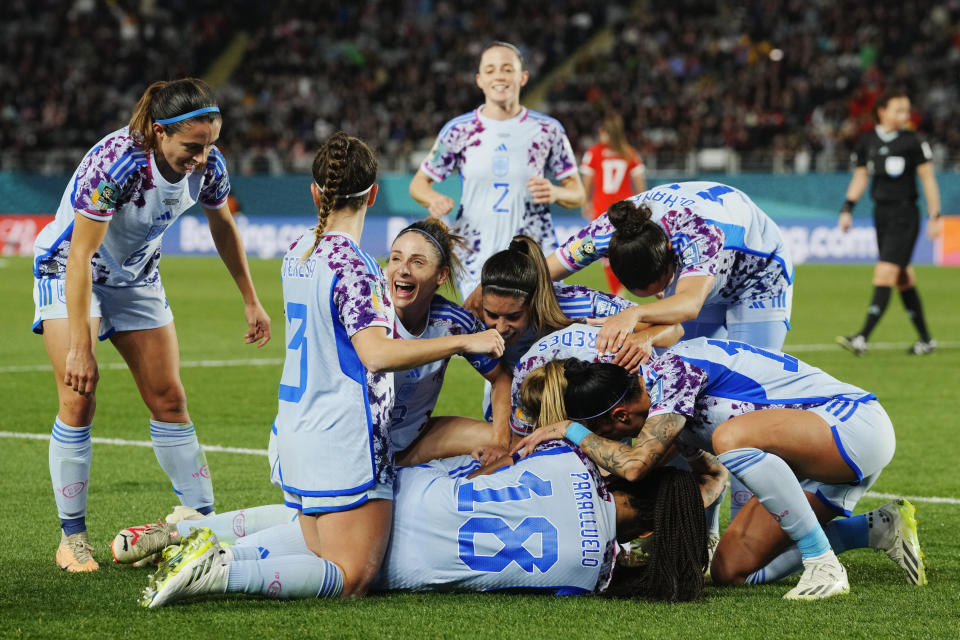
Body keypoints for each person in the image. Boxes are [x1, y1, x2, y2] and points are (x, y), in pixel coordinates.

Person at [31, 78, 273, 573]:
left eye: (210, 145)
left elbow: (223, 224)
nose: (202, 157)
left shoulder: (211, 165)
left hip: (136, 276)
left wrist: (251, 300)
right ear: (160, 133)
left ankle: (203, 527)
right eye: (192, 147)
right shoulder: (117, 164)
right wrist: (82, 343)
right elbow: (80, 254)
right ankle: (72, 537)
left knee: (169, 398)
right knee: (79, 396)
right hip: (71, 272)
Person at [273, 131, 504, 599]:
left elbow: (501, 376)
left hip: (299, 426)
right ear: (373, 194)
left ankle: (207, 549)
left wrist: (499, 433)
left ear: (315, 192)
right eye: (396, 258)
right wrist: (461, 344)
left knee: (321, 554)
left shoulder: (298, 249)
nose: (401, 269)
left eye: (416, 262)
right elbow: (375, 355)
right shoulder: (359, 272)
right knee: (355, 576)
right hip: (350, 436)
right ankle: (221, 567)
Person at [515, 338, 925, 600]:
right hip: (811, 459)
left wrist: (568, 429)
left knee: (731, 437)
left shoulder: (672, 374)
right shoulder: (660, 400)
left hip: (854, 428)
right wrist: (703, 536)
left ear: (620, 417)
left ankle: (823, 565)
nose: (617, 442)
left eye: (605, 433)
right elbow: (710, 475)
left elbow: (636, 467)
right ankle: (877, 527)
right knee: (733, 572)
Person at [125, 441, 725, 606]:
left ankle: (193, 537)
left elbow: (491, 458)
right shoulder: (594, 574)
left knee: (311, 520)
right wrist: (710, 506)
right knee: (333, 558)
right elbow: (687, 555)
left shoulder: (567, 459)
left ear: (627, 477)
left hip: (417, 502)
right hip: (421, 568)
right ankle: (215, 563)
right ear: (649, 531)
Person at [548, 180, 794, 522]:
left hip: (757, 283)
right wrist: (485, 292)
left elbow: (689, 303)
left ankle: (741, 530)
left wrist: (635, 313)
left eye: (665, 284)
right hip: (700, 278)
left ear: (668, 252)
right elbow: (543, 271)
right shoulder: (606, 232)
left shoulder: (697, 232)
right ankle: (701, 530)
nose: (661, 296)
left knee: (745, 414)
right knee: (678, 401)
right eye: (649, 293)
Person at [409, 41, 585, 310]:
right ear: (480, 80)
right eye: (490, 70)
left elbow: (578, 194)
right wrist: (433, 198)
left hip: (534, 253)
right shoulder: (459, 130)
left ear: (522, 77)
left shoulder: (548, 130)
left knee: (536, 339)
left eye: (507, 69)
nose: (499, 76)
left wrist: (557, 192)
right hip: (474, 255)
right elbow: (419, 184)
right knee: (488, 342)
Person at [836, 89, 942, 356]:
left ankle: (861, 337)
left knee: (885, 272)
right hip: (881, 215)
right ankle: (926, 341)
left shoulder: (913, 141)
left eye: (907, 111)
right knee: (903, 277)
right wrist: (847, 208)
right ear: (882, 111)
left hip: (905, 215)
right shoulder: (867, 141)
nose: (904, 116)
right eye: (898, 110)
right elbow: (861, 177)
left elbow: (928, 179)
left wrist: (935, 215)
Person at [579, 113, 647, 296]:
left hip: (602, 210)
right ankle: (624, 290)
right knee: (625, 250)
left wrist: (585, 203)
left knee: (606, 254)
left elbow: (587, 183)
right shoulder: (630, 153)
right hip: (627, 210)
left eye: (603, 129)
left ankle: (617, 293)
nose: (600, 132)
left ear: (609, 132)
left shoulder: (594, 152)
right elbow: (640, 186)